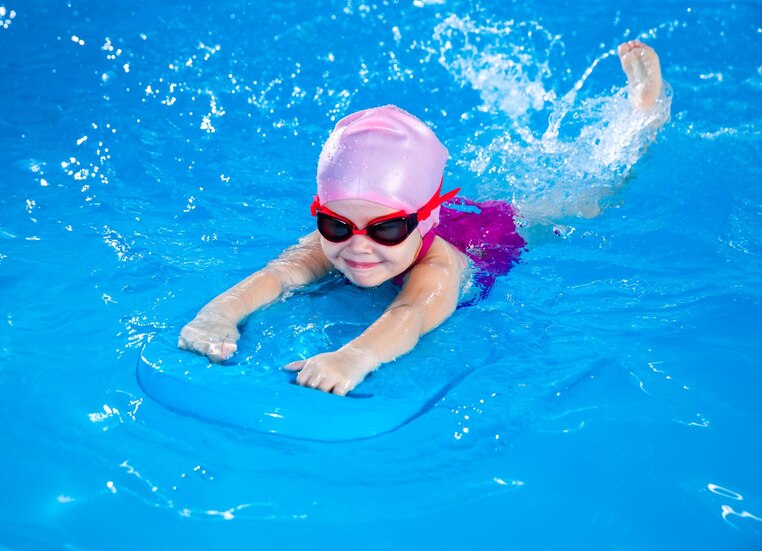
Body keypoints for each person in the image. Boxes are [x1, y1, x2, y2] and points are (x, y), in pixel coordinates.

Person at [178, 40, 666, 396]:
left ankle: (644, 114)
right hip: (422, 207)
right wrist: (218, 316)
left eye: (385, 229)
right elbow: (276, 275)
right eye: (336, 225)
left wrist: (354, 356)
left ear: (422, 221)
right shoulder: (346, 230)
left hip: (489, 233)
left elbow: (408, 315)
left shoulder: (437, 269)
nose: (357, 247)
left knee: (595, 197)